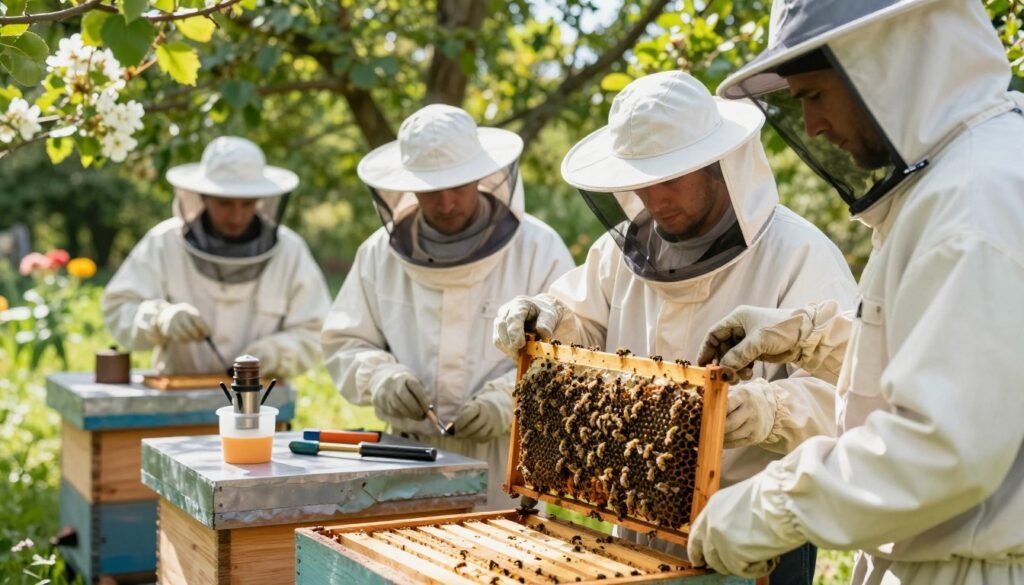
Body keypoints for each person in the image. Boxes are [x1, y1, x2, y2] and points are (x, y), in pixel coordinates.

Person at [688, 1, 1024, 584]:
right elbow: (965, 365)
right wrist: (812, 337)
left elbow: (943, 448)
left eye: (814, 96)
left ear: (887, 65)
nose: (811, 126)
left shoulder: (971, 204)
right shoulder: (968, 177)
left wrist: (771, 505)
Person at [493, 70, 857, 584]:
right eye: (641, 180)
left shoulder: (800, 254)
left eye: (671, 178)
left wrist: (761, 412)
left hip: (755, 531)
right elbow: (579, 329)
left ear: (717, 165)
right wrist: (545, 318)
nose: (655, 198)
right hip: (633, 517)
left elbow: (850, 396)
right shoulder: (618, 253)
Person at [321, 104, 574, 510]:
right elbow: (345, 341)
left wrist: (511, 398)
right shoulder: (377, 254)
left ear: (481, 175)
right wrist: (380, 378)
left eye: (458, 185)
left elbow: (572, 356)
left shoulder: (539, 249)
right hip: (406, 456)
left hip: (505, 462)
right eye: (430, 189)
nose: (446, 202)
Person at [103, 136, 331, 377]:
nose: (236, 216)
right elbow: (119, 308)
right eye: (224, 203)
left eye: (247, 204)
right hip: (177, 400)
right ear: (203, 197)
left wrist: (277, 352)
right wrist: (159, 317)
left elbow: (314, 331)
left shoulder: (290, 251)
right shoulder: (163, 243)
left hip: (260, 404)